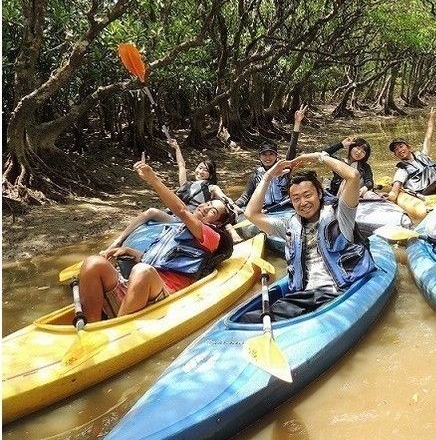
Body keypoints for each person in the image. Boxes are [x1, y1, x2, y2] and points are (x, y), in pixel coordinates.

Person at [78, 159, 234, 322]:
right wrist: (129, 251)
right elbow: (158, 260)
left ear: (216, 223)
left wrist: (153, 179)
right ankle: (92, 328)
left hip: (165, 292)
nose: (205, 208)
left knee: (142, 271)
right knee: (93, 263)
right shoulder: (176, 228)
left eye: (213, 212)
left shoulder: (212, 236)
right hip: (140, 286)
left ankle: (117, 330)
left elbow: (181, 210)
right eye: (207, 204)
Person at [244, 151, 375, 319]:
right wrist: (268, 176)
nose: (303, 202)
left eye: (307, 195)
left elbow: (353, 176)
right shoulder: (290, 225)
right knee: (250, 318)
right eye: (296, 198)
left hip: (337, 291)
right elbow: (251, 214)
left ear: (319, 194)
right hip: (303, 296)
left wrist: (317, 157)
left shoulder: (341, 215)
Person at [106, 138, 235, 248]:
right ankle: (118, 241)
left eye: (205, 170)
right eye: (200, 168)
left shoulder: (211, 187)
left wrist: (231, 203)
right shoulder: (186, 184)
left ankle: (234, 235)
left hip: (193, 221)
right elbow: (181, 165)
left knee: (153, 211)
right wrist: (177, 147)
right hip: (176, 217)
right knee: (151, 212)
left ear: (210, 175)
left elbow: (222, 196)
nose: (200, 172)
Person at [235, 105, 307, 211]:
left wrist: (297, 123)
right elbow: (245, 196)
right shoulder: (255, 175)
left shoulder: (284, 169)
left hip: (285, 208)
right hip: (264, 211)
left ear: (276, 156)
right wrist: (234, 205)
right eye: (264, 154)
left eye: (271, 154)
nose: (268, 158)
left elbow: (292, 148)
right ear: (259, 157)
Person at [386, 107, 436, 201]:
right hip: (426, 196)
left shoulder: (423, 155)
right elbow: (395, 189)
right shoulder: (402, 170)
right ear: (395, 155)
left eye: (401, 146)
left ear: (409, 147)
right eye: (396, 149)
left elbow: (428, 137)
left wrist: (432, 118)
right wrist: (389, 197)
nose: (399, 150)